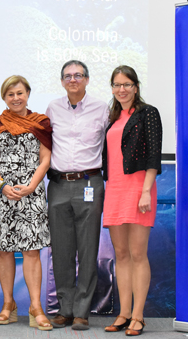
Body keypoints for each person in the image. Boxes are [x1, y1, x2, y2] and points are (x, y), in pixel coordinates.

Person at [0, 75, 53, 331]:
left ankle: (35, 307)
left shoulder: (41, 122)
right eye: (10, 94)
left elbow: (45, 158)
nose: (16, 98)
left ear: (28, 94)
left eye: (20, 93)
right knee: (4, 250)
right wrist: (1, 185)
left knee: (31, 251)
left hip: (30, 193)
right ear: (4, 97)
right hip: (2, 193)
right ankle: (8, 304)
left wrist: (32, 186)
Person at [45, 60, 109, 331]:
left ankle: (82, 311)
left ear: (87, 79)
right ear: (62, 81)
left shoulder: (102, 108)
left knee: (87, 249)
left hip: (89, 183)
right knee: (60, 251)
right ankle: (65, 309)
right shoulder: (52, 108)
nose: (73, 80)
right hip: (58, 184)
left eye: (78, 75)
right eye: (68, 76)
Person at [102, 65, 162, 336]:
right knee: (121, 255)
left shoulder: (148, 113)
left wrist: (146, 191)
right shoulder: (114, 117)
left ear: (136, 87)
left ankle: (138, 316)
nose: (121, 89)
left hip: (139, 188)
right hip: (114, 189)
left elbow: (153, 156)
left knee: (138, 254)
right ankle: (123, 313)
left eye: (127, 84)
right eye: (117, 85)